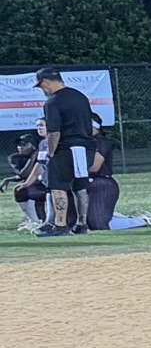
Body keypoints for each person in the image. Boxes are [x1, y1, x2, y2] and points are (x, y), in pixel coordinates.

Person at [36, 69, 93, 237]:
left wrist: (51, 153)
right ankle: (82, 224)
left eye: (41, 85)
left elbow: (54, 132)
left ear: (46, 81)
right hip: (85, 146)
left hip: (65, 148)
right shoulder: (80, 96)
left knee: (57, 186)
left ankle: (60, 225)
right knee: (80, 186)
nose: (42, 89)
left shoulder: (53, 102)